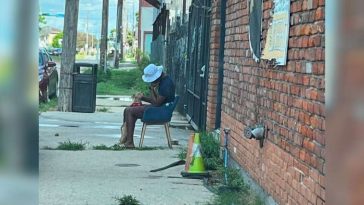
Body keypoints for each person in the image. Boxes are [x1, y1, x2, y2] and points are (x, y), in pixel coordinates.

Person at [120, 64, 175, 148]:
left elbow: (156, 103)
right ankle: (126, 138)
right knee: (128, 110)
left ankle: (129, 141)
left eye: (152, 80)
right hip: (160, 108)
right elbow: (156, 101)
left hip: (162, 111)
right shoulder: (163, 81)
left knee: (130, 111)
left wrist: (152, 90)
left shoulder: (166, 84)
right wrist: (142, 98)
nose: (151, 82)